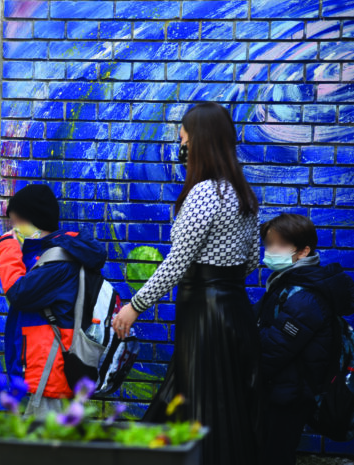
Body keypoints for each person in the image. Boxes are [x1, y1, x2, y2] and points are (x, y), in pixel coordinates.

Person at [112, 102, 262, 465]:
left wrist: (135, 306)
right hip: (235, 312)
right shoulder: (243, 192)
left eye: (184, 137)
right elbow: (252, 261)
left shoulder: (205, 193)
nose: (181, 143)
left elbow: (177, 263)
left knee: (199, 408)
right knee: (225, 408)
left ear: (200, 140)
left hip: (204, 317)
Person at [255, 213, 354, 465]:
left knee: (275, 455)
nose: (271, 250)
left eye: (281, 244)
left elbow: (273, 350)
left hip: (290, 393)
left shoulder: (305, 296)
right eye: (269, 244)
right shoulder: (287, 283)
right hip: (283, 389)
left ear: (303, 251)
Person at [0, 184, 106, 416]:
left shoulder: (58, 262)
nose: (13, 229)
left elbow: (18, 292)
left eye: (15, 223)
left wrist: (8, 246)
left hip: (48, 377)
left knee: (45, 437)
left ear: (32, 220)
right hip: (39, 373)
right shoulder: (45, 256)